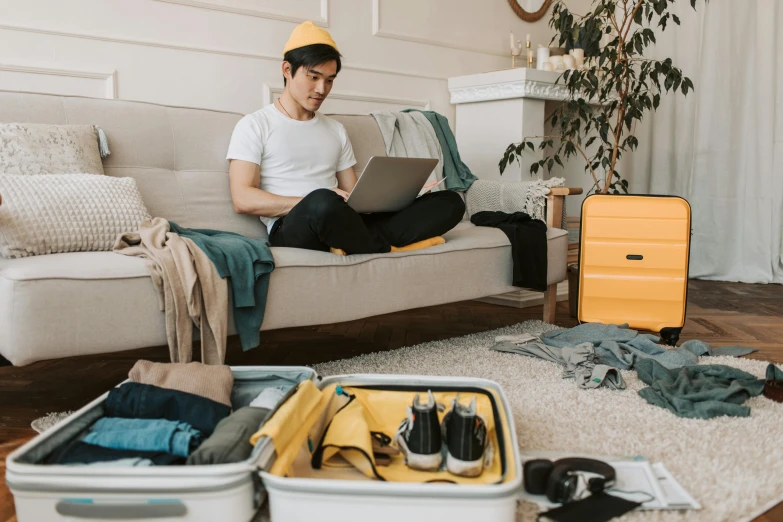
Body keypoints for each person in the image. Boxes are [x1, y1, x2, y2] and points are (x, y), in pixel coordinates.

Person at [226, 21, 465, 255]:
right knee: (322, 201)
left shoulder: (335, 129)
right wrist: (312, 200)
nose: (322, 89)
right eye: (313, 77)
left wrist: (402, 195)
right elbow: (243, 199)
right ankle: (382, 246)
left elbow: (354, 195)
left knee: (450, 203)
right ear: (287, 70)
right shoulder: (254, 125)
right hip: (294, 225)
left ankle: (356, 243)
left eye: (329, 80)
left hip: (343, 220)